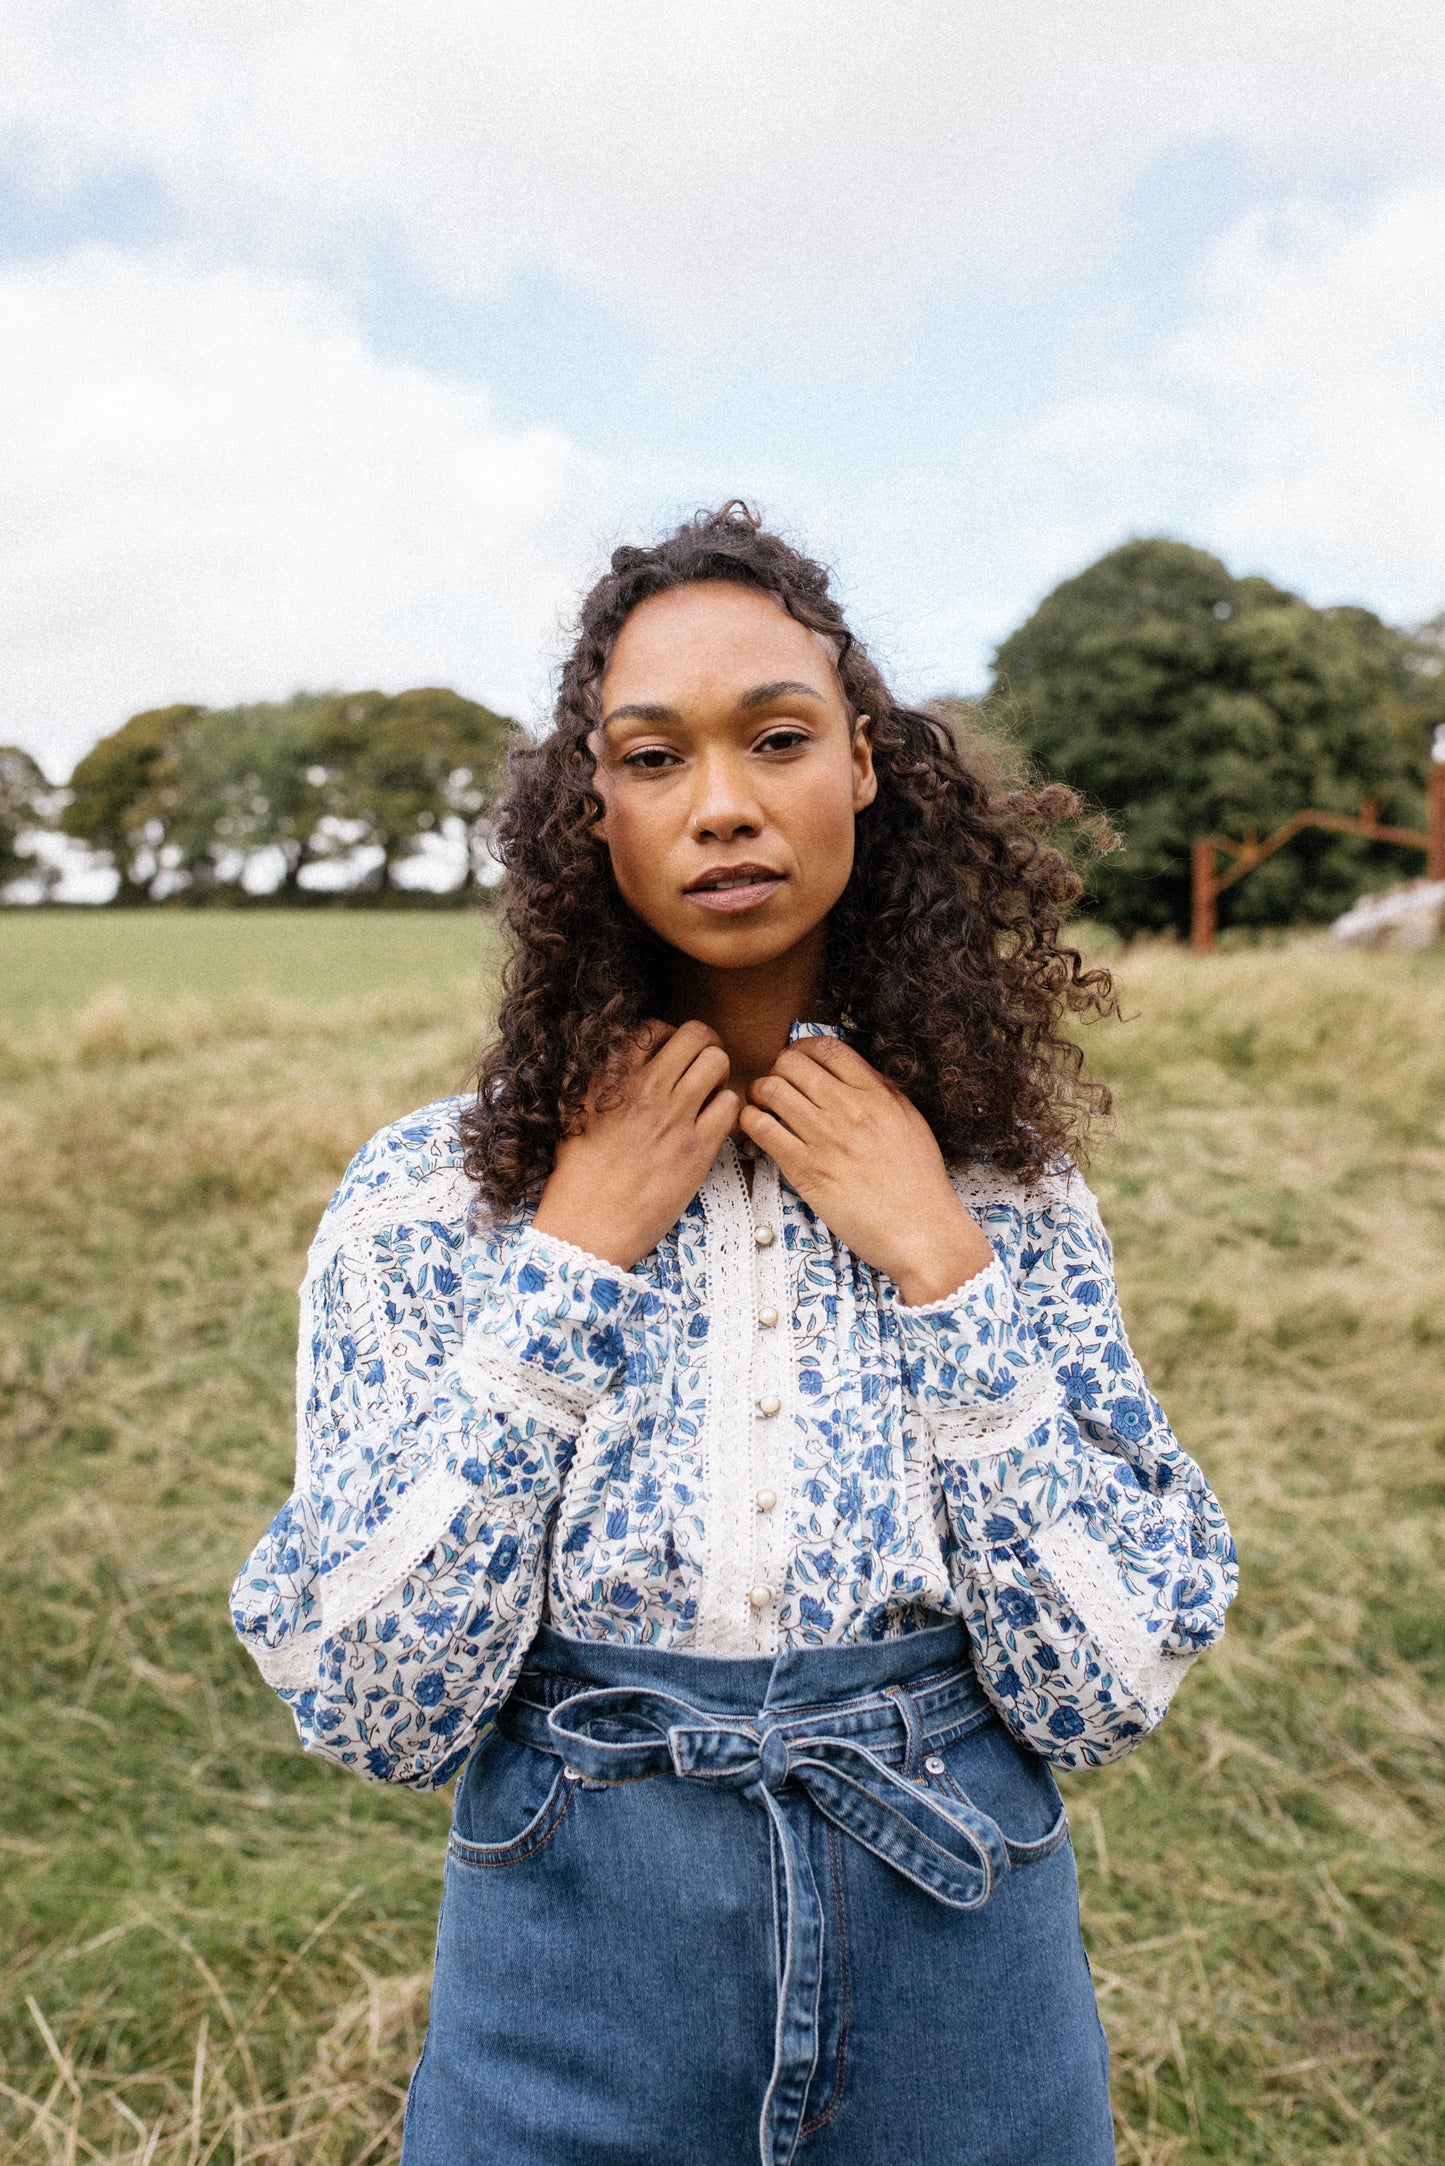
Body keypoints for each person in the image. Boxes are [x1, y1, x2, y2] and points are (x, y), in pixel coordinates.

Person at [232, 505, 1237, 2166]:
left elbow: (1106, 1685)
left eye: (775, 739)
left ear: (861, 765)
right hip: (568, 1972)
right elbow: (377, 1705)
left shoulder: (1004, 1188)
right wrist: (572, 1254)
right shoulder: (434, 1195)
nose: (720, 804)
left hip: (960, 1952)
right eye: (651, 757)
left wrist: (938, 1257)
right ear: (591, 812)